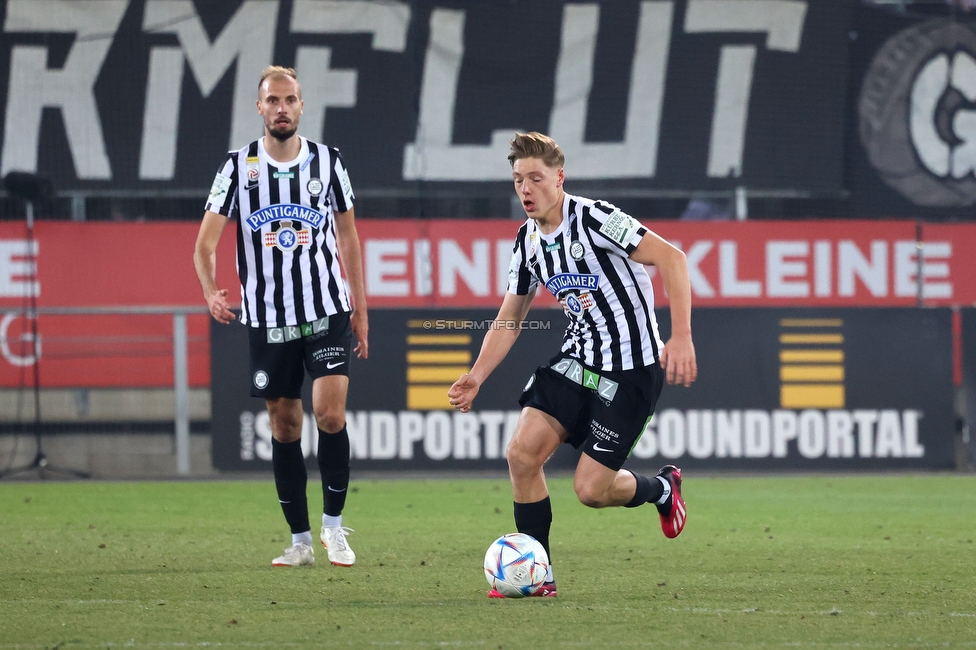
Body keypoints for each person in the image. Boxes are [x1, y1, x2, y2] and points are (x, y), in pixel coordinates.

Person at [448, 132, 697, 598]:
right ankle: (537, 577)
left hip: (628, 373)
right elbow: (511, 316)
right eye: (518, 179)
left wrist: (680, 336)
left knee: (591, 491)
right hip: (577, 362)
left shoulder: (596, 219)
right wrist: (477, 375)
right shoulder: (526, 242)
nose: (526, 189)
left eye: (536, 178)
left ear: (559, 178)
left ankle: (661, 490)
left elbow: (672, 258)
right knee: (522, 455)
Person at [194, 66, 368, 568]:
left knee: (330, 414)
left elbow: (349, 237)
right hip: (268, 318)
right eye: (273, 100)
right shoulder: (236, 169)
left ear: (301, 105)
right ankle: (299, 542)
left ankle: (334, 529)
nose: (282, 108)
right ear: (260, 108)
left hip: (325, 311)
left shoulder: (329, 163)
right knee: (284, 425)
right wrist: (210, 290)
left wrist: (361, 308)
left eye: (290, 99)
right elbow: (204, 245)